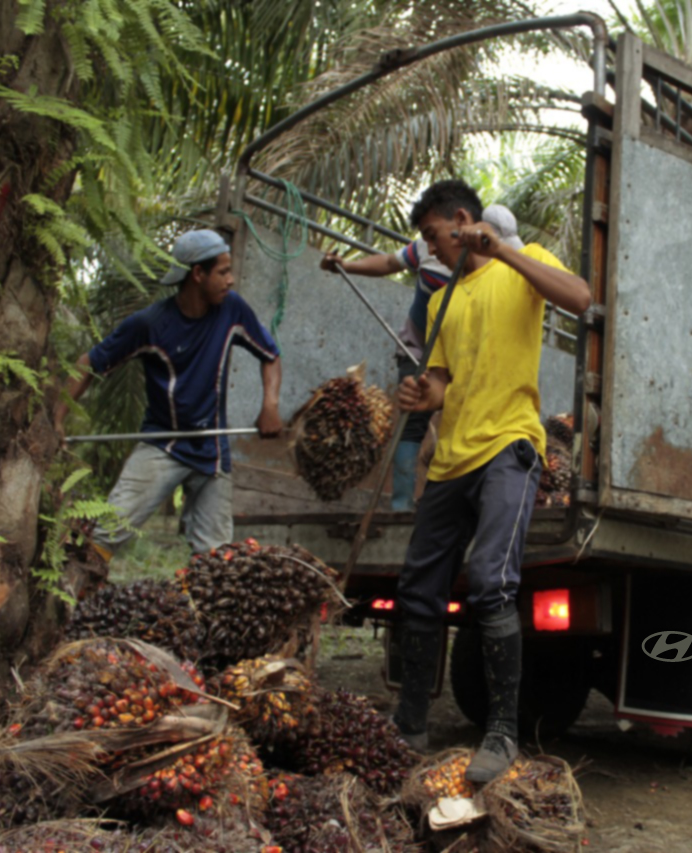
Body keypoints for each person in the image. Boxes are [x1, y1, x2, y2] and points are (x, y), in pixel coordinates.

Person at [391, 180, 591, 783]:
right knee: (417, 588)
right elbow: (444, 384)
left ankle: (502, 732)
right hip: (451, 459)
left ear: (461, 221)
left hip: (508, 446)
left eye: (432, 237)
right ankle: (409, 726)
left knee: (490, 582)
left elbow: (581, 298)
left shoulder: (519, 267)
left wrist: (503, 250)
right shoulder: (437, 303)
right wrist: (420, 393)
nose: (429, 250)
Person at [54, 229, 284, 558]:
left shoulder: (232, 309)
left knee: (217, 558)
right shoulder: (151, 324)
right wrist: (58, 419)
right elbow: (87, 364)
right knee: (104, 535)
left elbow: (271, 355)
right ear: (197, 274)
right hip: (163, 444)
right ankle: (70, 596)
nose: (231, 280)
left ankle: (202, 606)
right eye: (223, 272)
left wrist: (270, 405)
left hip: (212, 451)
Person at [320, 204, 524, 511]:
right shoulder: (431, 248)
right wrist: (347, 266)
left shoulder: (495, 267)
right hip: (419, 351)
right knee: (413, 425)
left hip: (465, 360)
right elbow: (390, 261)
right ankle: (401, 505)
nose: (435, 247)